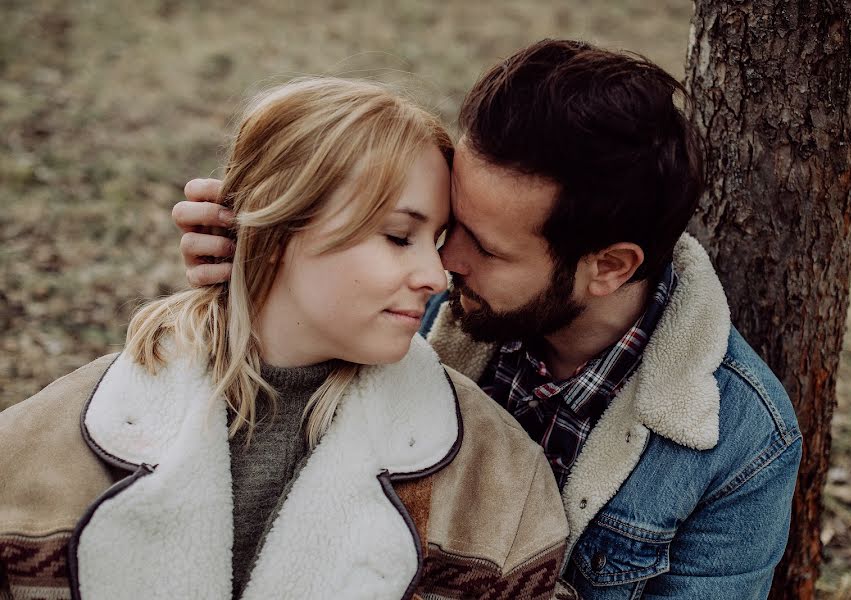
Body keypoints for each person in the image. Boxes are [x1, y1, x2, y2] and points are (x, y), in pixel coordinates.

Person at [175, 40, 803, 599]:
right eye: (450, 222)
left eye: (488, 247)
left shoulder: (743, 444)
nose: (443, 263)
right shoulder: (420, 303)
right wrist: (259, 266)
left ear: (609, 267)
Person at [0, 78, 575, 600]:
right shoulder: (37, 447)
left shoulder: (498, 477)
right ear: (277, 233)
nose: (436, 273)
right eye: (400, 236)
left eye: (438, 238)